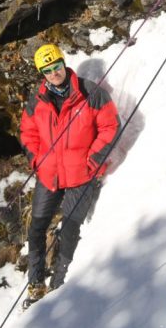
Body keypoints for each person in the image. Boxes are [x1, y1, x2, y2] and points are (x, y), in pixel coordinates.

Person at [19, 43, 120, 308]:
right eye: (47, 70)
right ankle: (36, 284)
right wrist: (36, 160)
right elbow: (27, 133)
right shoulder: (37, 100)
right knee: (37, 228)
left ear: (64, 64)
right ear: (42, 73)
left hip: (81, 175)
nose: (54, 73)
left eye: (56, 66)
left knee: (70, 229)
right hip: (49, 175)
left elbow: (110, 126)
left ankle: (58, 285)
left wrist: (94, 159)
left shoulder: (90, 93)